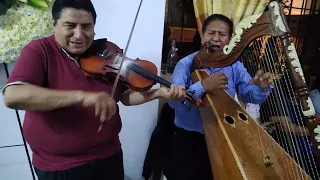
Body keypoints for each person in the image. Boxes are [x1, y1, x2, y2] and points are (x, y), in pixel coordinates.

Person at [2, 0, 186, 180]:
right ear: (54, 25)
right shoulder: (39, 51)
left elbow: (125, 97)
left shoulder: (106, 52)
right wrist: (81, 97)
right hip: (62, 166)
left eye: (86, 27)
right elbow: (13, 96)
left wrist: (158, 93)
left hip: (109, 156)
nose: (79, 35)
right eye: (70, 26)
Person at [167, 14, 272, 180]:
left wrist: (260, 88)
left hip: (222, 137)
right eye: (211, 33)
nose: (216, 39)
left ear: (230, 39)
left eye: (222, 35)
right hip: (187, 140)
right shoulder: (186, 64)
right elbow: (173, 103)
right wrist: (203, 86)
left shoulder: (235, 66)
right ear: (202, 36)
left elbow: (251, 96)